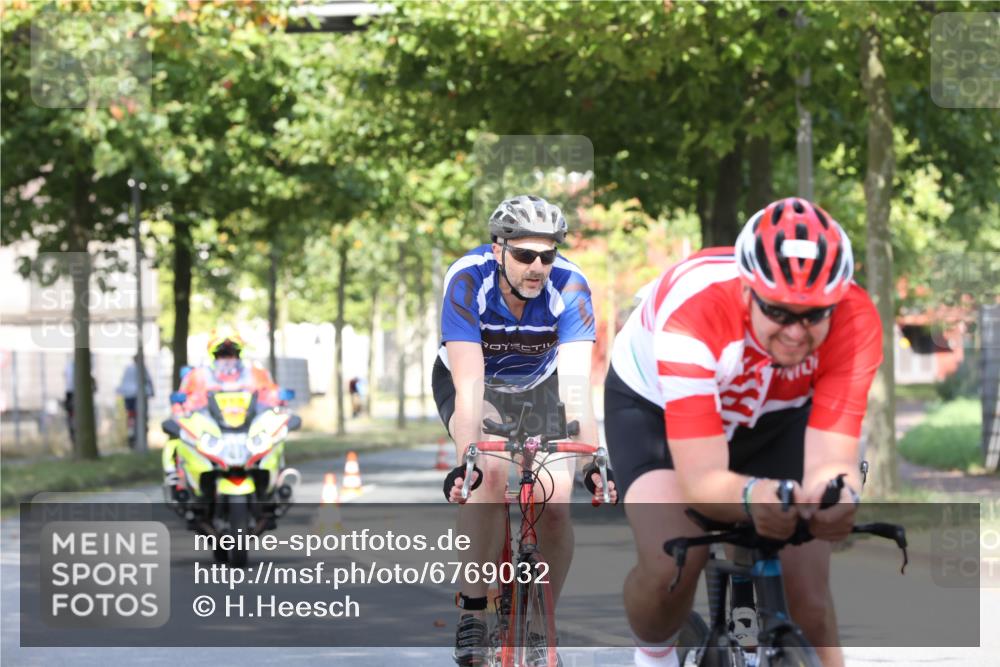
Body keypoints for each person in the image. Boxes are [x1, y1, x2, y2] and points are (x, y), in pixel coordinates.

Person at [605, 198, 880, 667]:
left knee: (810, 601)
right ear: (748, 290)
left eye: (814, 314)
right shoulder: (695, 313)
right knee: (671, 564)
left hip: (779, 414)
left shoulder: (855, 320)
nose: (796, 332)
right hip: (656, 408)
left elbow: (832, 461)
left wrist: (837, 498)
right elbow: (701, 480)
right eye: (779, 311)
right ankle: (654, 654)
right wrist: (754, 495)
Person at [434, 194, 616, 667]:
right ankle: (474, 610)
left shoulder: (570, 286)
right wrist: (466, 462)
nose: (537, 267)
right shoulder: (467, 280)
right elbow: (469, 385)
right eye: (524, 254)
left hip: (541, 386)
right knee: (490, 473)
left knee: (556, 500)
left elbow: (576, 386)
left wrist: (594, 460)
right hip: (478, 384)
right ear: (498, 249)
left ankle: (539, 622)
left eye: (547, 255)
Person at [163, 327, 280, 488]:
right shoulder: (198, 375)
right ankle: (176, 478)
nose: (227, 360)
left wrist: (276, 406)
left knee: (276, 442)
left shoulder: (255, 373)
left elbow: (270, 396)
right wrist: (181, 411)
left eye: (231, 354)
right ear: (213, 354)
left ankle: (277, 481)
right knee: (177, 439)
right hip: (212, 429)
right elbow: (184, 402)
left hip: (246, 427)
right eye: (222, 354)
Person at [116, 356, 154, 449]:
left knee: (131, 416)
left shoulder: (128, 369)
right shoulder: (143, 369)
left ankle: (132, 434)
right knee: (141, 417)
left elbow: (123, 382)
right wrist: (151, 392)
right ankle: (137, 435)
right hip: (139, 395)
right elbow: (149, 381)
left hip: (129, 395)